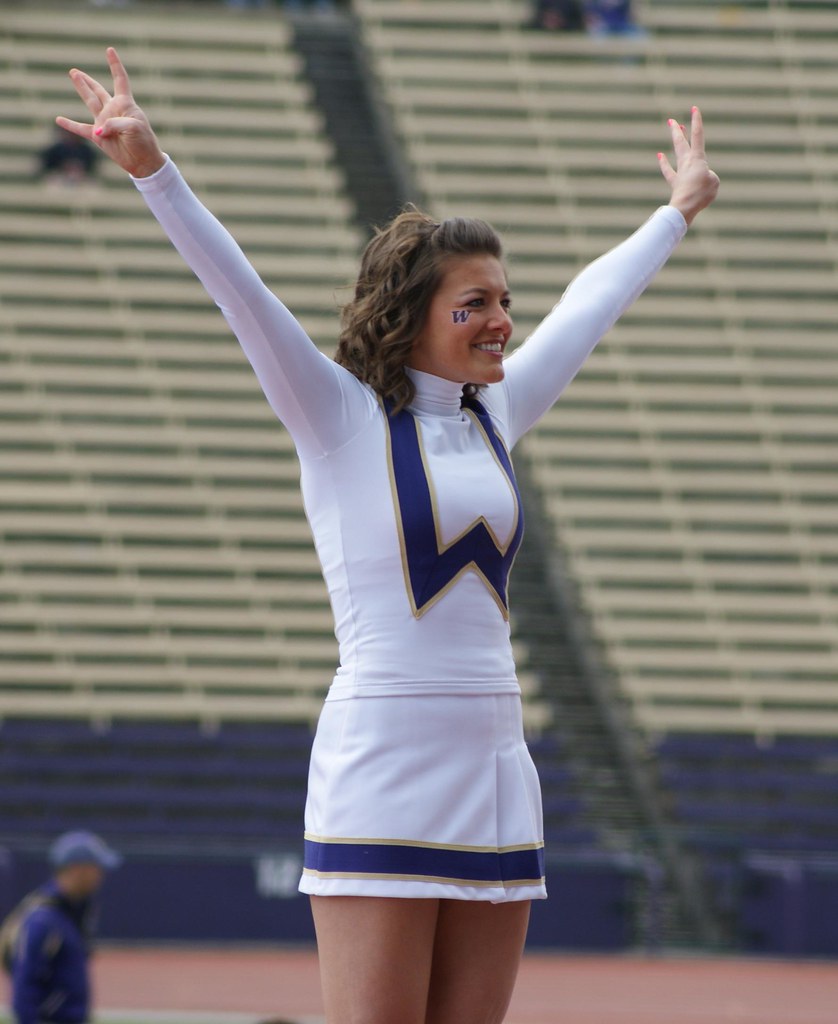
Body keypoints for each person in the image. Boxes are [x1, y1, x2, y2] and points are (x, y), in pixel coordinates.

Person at [56, 47, 718, 1024]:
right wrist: (157, 171)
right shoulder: (338, 417)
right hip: (385, 760)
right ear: (414, 315)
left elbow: (589, 304)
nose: (503, 321)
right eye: (476, 303)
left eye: (502, 299)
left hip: (496, 765)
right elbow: (242, 297)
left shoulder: (498, 412)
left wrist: (675, 214)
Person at [2, 831, 121, 1024]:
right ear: (77, 869)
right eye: (96, 867)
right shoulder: (44, 920)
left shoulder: (74, 912)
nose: (101, 875)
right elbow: (24, 989)